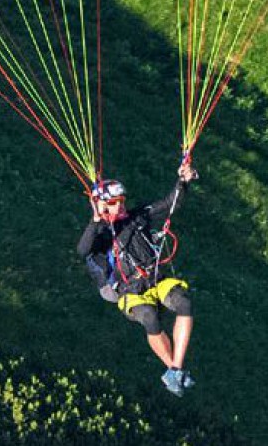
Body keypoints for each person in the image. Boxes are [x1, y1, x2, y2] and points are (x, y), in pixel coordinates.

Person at [78, 157, 199, 395]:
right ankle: (173, 370)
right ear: (102, 206)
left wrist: (183, 182)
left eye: (122, 201)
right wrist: (95, 220)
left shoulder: (138, 216)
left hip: (156, 280)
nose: (121, 206)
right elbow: (83, 250)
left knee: (184, 303)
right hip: (130, 291)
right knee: (149, 317)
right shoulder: (100, 234)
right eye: (114, 203)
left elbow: (169, 203)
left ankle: (176, 368)